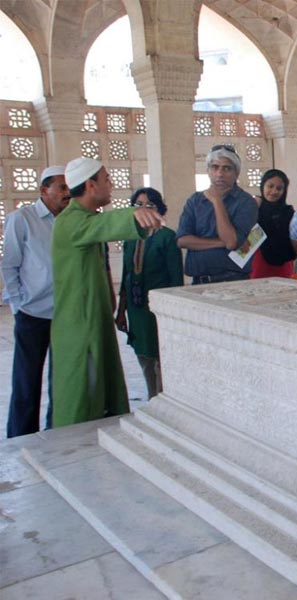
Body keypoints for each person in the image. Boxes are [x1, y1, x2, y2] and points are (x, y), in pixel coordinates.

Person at [50, 157, 163, 427]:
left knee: (102, 388)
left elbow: (98, 227)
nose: (111, 185)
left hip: (93, 319)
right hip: (79, 324)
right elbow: (101, 227)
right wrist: (132, 215)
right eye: (107, 179)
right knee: (82, 395)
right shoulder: (71, 221)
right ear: (90, 185)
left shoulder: (86, 218)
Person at [2, 166, 70, 437]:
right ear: (44, 190)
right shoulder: (23, 218)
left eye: (69, 188)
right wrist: (18, 305)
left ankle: (55, 432)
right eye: (61, 188)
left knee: (61, 381)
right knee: (26, 381)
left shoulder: (69, 219)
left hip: (64, 314)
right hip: (32, 314)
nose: (67, 194)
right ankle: (21, 437)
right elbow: (9, 265)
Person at [115, 188, 184, 400]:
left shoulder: (167, 237)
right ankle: (151, 396)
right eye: (138, 205)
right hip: (137, 309)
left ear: (159, 209)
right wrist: (121, 310)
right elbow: (127, 276)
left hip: (158, 309)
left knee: (160, 356)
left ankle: (165, 399)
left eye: (150, 204)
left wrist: (174, 313)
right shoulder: (130, 238)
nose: (144, 209)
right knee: (143, 354)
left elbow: (175, 279)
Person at [176, 144, 258, 284]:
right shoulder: (195, 200)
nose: (220, 174)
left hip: (233, 281)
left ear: (236, 173)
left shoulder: (246, 202)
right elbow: (182, 240)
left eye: (226, 168)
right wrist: (220, 243)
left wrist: (216, 201)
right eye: (215, 167)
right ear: (208, 171)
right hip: (199, 281)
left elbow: (231, 242)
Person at [250, 169, 297, 279]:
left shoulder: (288, 212)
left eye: (279, 188)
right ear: (263, 186)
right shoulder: (254, 207)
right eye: (270, 186)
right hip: (258, 264)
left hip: (283, 265)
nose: (274, 191)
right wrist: (254, 209)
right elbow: (247, 237)